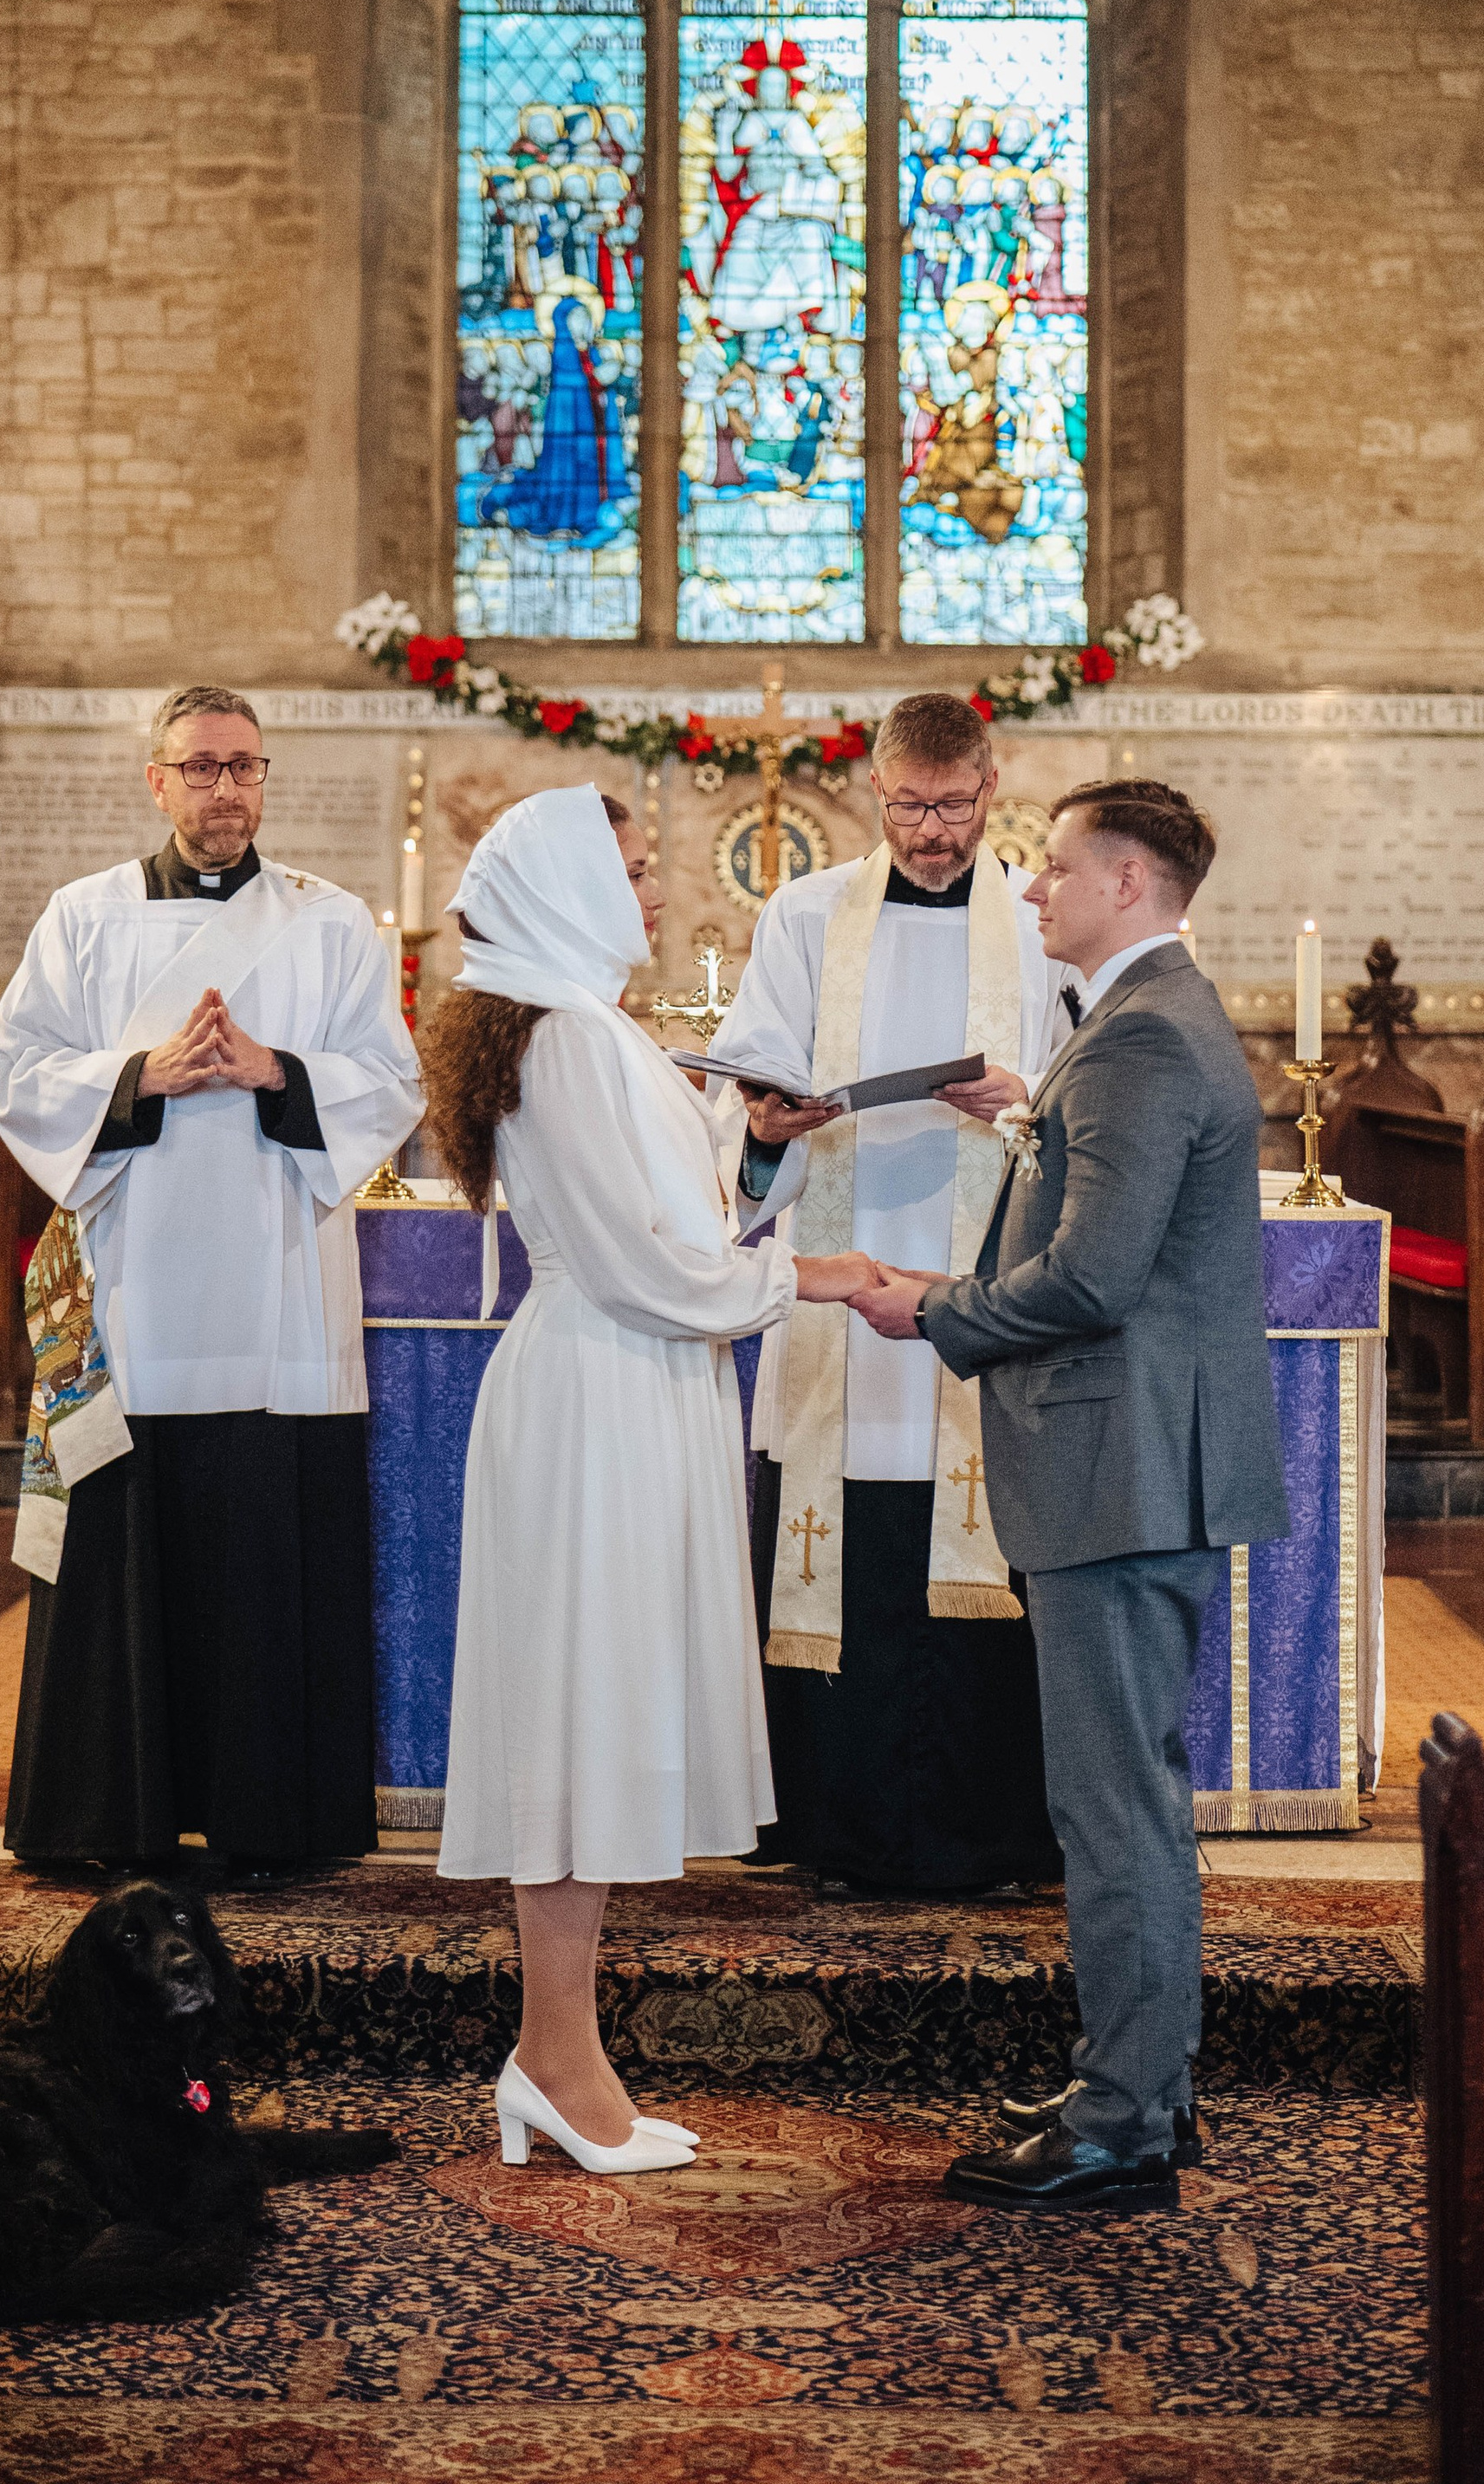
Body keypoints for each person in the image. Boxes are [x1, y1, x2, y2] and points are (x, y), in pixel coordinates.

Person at [422, 785, 885, 2176]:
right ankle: (556, 2058)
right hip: (595, 1396)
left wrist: (758, 1150)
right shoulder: (566, 1042)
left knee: (598, 1714)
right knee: (576, 1721)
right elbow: (652, 1264)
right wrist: (821, 1273)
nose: (651, 900)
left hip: (632, 1383)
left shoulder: (584, 1029)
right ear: (564, 888)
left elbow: (685, 1220)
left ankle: (557, 2056)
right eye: (626, 875)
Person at [849, 776, 1290, 2209]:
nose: (1029, 890)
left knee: (1112, 1808)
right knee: (1122, 1796)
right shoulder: (1143, 1028)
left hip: (1121, 1467)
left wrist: (942, 1309)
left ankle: (1125, 2119)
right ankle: (1142, 2083)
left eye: (1051, 871)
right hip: (1135, 1465)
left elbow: (1097, 1277)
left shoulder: (1143, 1038)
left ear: (1123, 885)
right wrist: (1035, 1120)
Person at [0, 685, 422, 1882]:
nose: (225, 788)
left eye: (245, 767)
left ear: (264, 779)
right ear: (158, 780)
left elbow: (390, 1082)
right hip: (132, 1299)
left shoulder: (332, 924)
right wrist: (145, 1078)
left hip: (276, 1301)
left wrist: (273, 1068)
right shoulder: (83, 918)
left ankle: (270, 1820)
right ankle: (105, 1816)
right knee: (130, 1561)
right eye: (201, 767)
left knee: (256, 1560)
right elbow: (19, 1075)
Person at [705, 691, 1073, 1897]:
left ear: (990, 785)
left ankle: (987, 1836)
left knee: (975, 1562)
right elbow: (744, 1102)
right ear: (875, 790)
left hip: (987, 1294)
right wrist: (767, 1125)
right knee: (844, 1548)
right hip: (842, 1296)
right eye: (911, 806)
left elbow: (1085, 1102)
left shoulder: (1036, 923)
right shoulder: (806, 917)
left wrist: (1018, 1098)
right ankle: (836, 1827)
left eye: (955, 806)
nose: (932, 831)